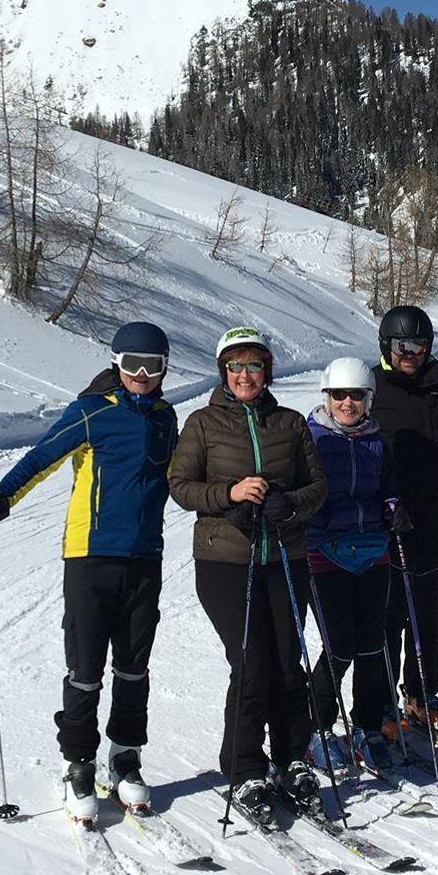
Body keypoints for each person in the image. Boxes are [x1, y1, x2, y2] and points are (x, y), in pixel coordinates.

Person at [0, 321, 179, 823]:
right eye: (132, 365)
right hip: (90, 557)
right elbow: (41, 458)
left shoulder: (167, 419)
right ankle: (78, 763)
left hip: (145, 558)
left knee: (134, 667)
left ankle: (125, 757)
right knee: (85, 669)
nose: (142, 375)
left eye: (153, 366)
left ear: (165, 369)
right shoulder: (90, 411)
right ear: (116, 364)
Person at [167, 326, 328, 822]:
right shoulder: (202, 423)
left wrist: (288, 505)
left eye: (253, 365)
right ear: (223, 372)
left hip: (283, 557)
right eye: (235, 366)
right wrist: (228, 496)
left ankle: (292, 758)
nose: (244, 375)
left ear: (267, 372)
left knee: (287, 660)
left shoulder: (289, 422)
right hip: (225, 562)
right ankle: (243, 767)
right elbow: (180, 485)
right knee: (251, 661)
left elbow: (317, 487)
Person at [370, 304, 438, 737]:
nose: (410, 354)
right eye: (402, 346)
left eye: (419, 345)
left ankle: (422, 692)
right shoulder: (371, 386)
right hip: (385, 518)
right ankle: (380, 700)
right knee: (388, 612)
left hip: (431, 515)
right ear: (386, 346)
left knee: (427, 609)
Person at [301, 356, 407, 762]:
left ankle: (367, 726)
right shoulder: (311, 438)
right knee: (340, 645)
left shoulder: (377, 441)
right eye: (339, 395)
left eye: (356, 396)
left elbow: (388, 487)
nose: (348, 403)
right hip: (325, 553)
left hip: (372, 552)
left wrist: (394, 507)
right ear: (327, 396)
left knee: (372, 646)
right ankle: (316, 728)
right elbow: (300, 489)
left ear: (369, 398)